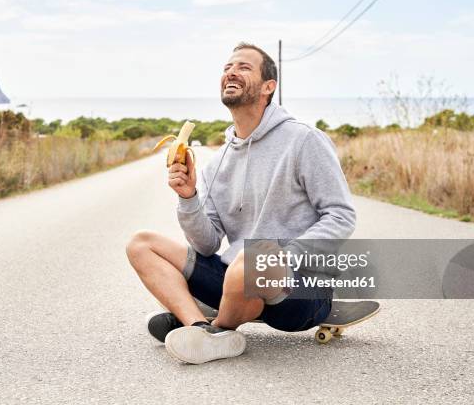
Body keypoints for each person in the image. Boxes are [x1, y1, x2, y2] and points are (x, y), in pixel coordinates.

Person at [126, 42, 356, 364]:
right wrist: (188, 197)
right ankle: (198, 327)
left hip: (298, 286)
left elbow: (341, 215)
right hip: (236, 277)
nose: (231, 72)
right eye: (226, 68)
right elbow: (207, 245)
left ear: (268, 87)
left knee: (252, 259)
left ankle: (218, 326)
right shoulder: (216, 162)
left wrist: (283, 257)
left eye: (244, 67)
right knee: (141, 244)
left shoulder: (304, 140)